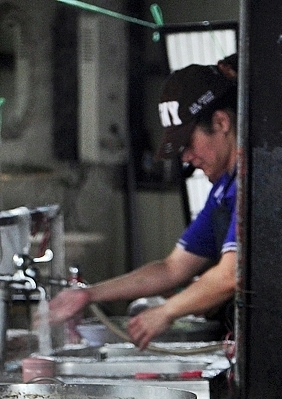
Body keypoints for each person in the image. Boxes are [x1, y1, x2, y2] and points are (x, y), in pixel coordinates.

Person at [48, 62, 239, 349]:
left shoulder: (256, 181)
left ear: (221, 123)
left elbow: (231, 274)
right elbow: (172, 268)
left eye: (188, 143)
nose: (186, 157)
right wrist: (88, 295)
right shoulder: (224, 190)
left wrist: (166, 312)